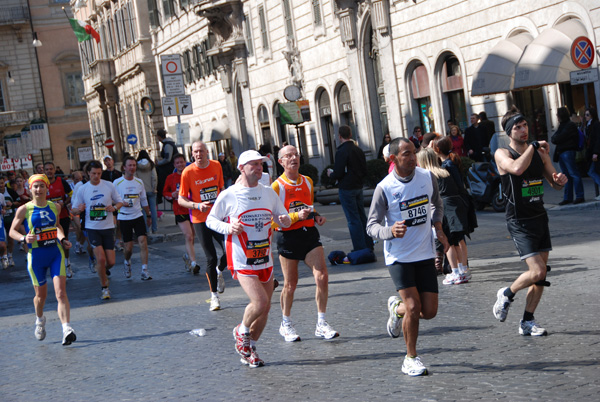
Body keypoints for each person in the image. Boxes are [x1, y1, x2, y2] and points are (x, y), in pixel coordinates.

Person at [366, 137, 449, 377]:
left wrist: (438, 227)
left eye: (414, 152)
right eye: (406, 154)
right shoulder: (385, 187)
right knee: (414, 307)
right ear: (393, 159)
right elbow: (371, 225)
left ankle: (396, 309)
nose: (413, 158)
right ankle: (410, 357)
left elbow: (437, 204)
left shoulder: (426, 177)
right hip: (399, 257)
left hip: (424, 253)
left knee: (429, 311)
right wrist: (389, 231)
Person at [206, 150, 291, 368]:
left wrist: (284, 220)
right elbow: (210, 220)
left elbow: (284, 220)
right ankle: (241, 330)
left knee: (265, 308)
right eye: (253, 165)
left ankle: (249, 348)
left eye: (261, 164)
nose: (259, 168)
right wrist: (228, 226)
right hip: (242, 258)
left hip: (264, 257)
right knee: (259, 302)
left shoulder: (268, 193)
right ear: (242, 168)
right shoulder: (230, 194)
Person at [493, 106, 568, 336]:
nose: (523, 130)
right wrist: (534, 147)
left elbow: (553, 181)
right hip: (519, 220)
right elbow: (516, 169)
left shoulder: (540, 153)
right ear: (509, 132)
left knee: (541, 275)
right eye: (517, 127)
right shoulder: (502, 154)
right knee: (536, 272)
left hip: (539, 217)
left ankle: (527, 320)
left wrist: (560, 180)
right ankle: (506, 293)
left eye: (525, 125)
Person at [272, 145, 339, 343]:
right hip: (288, 236)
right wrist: (294, 216)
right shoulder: (276, 187)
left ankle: (321, 322)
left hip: (308, 233)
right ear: (281, 161)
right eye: (288, 156)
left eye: (296, 155)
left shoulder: (307, 181)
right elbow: (272, 220)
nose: (294, 158)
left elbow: (308, 206)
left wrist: (316, 216)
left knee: (322, 276)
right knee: (291, 285)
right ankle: (286, 323)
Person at [9, 174, 76, 345]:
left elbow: (57, 227)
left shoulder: (55, 207)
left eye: (42, 186)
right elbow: (12, 231)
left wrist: (62, 239)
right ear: (30, 189)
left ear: (47, 188)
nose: (39, 190)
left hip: (55, 253)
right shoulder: (24, 209)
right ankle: (39, 319)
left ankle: (66, 328)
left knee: (61, 293)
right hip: (36, 256)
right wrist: (24, 239)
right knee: (41, 296)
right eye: (35, 187)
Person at [178, 141, 227, 311]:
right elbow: (181, 199)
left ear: (207, 152)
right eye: (195, 152)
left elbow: (221, 189)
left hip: (218, 216)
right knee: (211, 257)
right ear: (192, 154)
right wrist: (197, 206)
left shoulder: (216, 166)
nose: (198, 154)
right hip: (200, 220)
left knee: (229, 250)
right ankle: (214, 296)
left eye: (201, 151)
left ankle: (220, 271)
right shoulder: (187, 172)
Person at [71, 160, 123, 300]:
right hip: (92, 227)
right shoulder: (83, 189)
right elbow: (74, 209)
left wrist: (114, 208)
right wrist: (79, 209)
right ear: (88, 173)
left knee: (110, 262)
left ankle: (102, 271)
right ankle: (104, 288)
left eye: (99, 173)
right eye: (93, 173)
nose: (96, 176)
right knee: (100, 259)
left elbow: (119, 201)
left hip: (108, 227)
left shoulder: (109, 185)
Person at [417, 148, 470, 284]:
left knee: (448, 243)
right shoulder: (445, 171)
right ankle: (463, 270)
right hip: (456, 206)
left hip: (443, 209)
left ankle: (455, 272)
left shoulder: (428, 175)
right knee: (459, 240)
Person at [327, 125, 373, 251]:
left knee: (353, 219)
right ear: (350, 135)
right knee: (362, 216)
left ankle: (359, 247)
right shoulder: (358, 150)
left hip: (346, 188)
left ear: (340, 136)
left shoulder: (341, 151)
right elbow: (364, 170)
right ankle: (368, 244)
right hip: (358, 186)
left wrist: (331, 174)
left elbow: (339, 172)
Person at [114, 157, 153, 280]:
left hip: (138, 216)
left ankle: (144, 270)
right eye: (129, 165)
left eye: (134, 165)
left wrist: (148, 215)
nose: (132, 168)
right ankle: (127, 262)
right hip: (124, 217)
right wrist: (121, 203)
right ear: (124, 167)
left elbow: (143, 200)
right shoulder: (117, 183)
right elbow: (112, 199)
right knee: (128, 248)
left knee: (143, 242)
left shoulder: (139, 182)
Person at [163, 154, 197, 273]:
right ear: (174, 165)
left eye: (181, 162)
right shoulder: (170, 178)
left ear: (185, 162)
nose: (180, 165)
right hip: (179, 210)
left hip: (192, 209)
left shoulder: (191, 174)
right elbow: (165, 193)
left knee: (192, 236)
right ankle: (193, 263)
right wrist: (171, 195)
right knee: (188, 236)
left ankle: (188, 256)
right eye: (177, 163)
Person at [45, 162, 74, 278]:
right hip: (48, 220)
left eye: (51, 169)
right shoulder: (42, 184)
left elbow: (71, 195)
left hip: (62, 217)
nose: (49, 171)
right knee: (51, 243)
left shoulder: (61, 182)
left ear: (54, 170)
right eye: (47, 169)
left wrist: (64, 203)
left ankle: (67, 263)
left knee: (64, 241)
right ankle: (56, 267)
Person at [551, 106, 584, 205]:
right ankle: (568, 197)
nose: (557, 116)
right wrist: (557, 138)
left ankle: (579, 196)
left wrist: (557, 139)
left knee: (573, 174)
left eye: (557, 115)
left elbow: (557, 138)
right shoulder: (563, 125)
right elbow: (554, 138)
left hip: (567, 152)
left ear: (560, 115)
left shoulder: (570, 125)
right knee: (566, 176)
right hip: (563, 152)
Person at [136, 150, 159, 233]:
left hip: (141, 191)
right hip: (151, 190)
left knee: (143, 211)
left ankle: (146, 230)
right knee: (153, 210)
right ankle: (154, 228)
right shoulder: (151, 164)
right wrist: (154, 188)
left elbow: (136, 179)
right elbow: (154, 177)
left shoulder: (136, 166)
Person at [1, 176, 19, 268]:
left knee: (10, 238)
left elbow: (18, 201)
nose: (0, 185)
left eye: (1, 183)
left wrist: (12, 204)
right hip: (1, 220)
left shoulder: (10, 191)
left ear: (4, 183)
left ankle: (10, 256)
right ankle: (3, 257)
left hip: (10, 218)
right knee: (1, 242)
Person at [156, 128, 177, 204]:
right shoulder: (167, 143)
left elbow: (168, 158)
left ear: (159, 136)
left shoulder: (167, 145)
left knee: (162, 182)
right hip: (169, 166)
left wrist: (159, 163)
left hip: (168, 168)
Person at [584, 107, 600, 197]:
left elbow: (597, 139)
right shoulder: (588, 125)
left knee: (592, 171)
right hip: (592, 152)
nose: (586, 116)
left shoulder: (596, 124)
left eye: (587, 115)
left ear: (592, 115)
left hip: (595, 152)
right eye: (585, 114)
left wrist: (596, 152)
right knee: (592, 171)